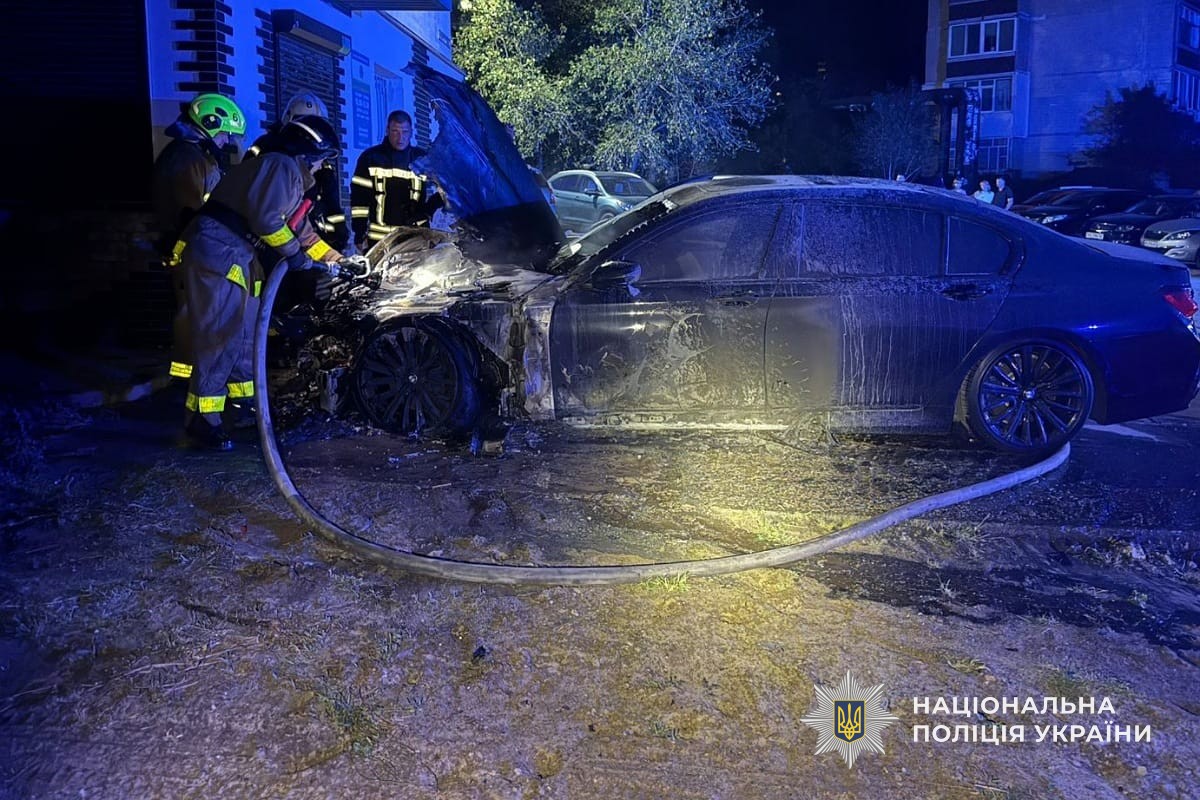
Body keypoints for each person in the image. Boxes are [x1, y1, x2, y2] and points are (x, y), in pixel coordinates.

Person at [174, 115, 359, 451]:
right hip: (218, 252)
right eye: (321, 159)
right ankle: (202, 418)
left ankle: (246, 408)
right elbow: (267, 221)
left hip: (237, 255)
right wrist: (296, 258)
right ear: (307, 154)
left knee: (246, 337)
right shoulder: (281, 167)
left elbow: (303, 232)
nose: (322, 167)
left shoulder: (292, 181)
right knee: (220, 335)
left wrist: (340, 261)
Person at [151, 92, 246, 382]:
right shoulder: (186, 159)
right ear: (210, 123)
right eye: (225, 134)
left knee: (196, 314)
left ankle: (192, 374)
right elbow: (190, 213)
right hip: (188, 249)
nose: (226, 141)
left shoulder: (194, 156)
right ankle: (187, 377)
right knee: (193, 314)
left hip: (195, 248)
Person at [246, 92, 350, 252]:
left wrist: (339, 238)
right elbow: (267, 217)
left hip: (305, 236)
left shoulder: (320, 161)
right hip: (264, 240)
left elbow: (330, 202)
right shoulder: (274, 156)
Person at [349, 110, 436, 252]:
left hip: (416, 237)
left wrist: (428, 210)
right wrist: (359, 232)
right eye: (395, 131)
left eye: (405, 132)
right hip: (380, 239)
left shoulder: (422, 159)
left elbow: (448, 189)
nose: (400, 137)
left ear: (411, 132)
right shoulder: (370, 158)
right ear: (387, 130)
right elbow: (359, 201)